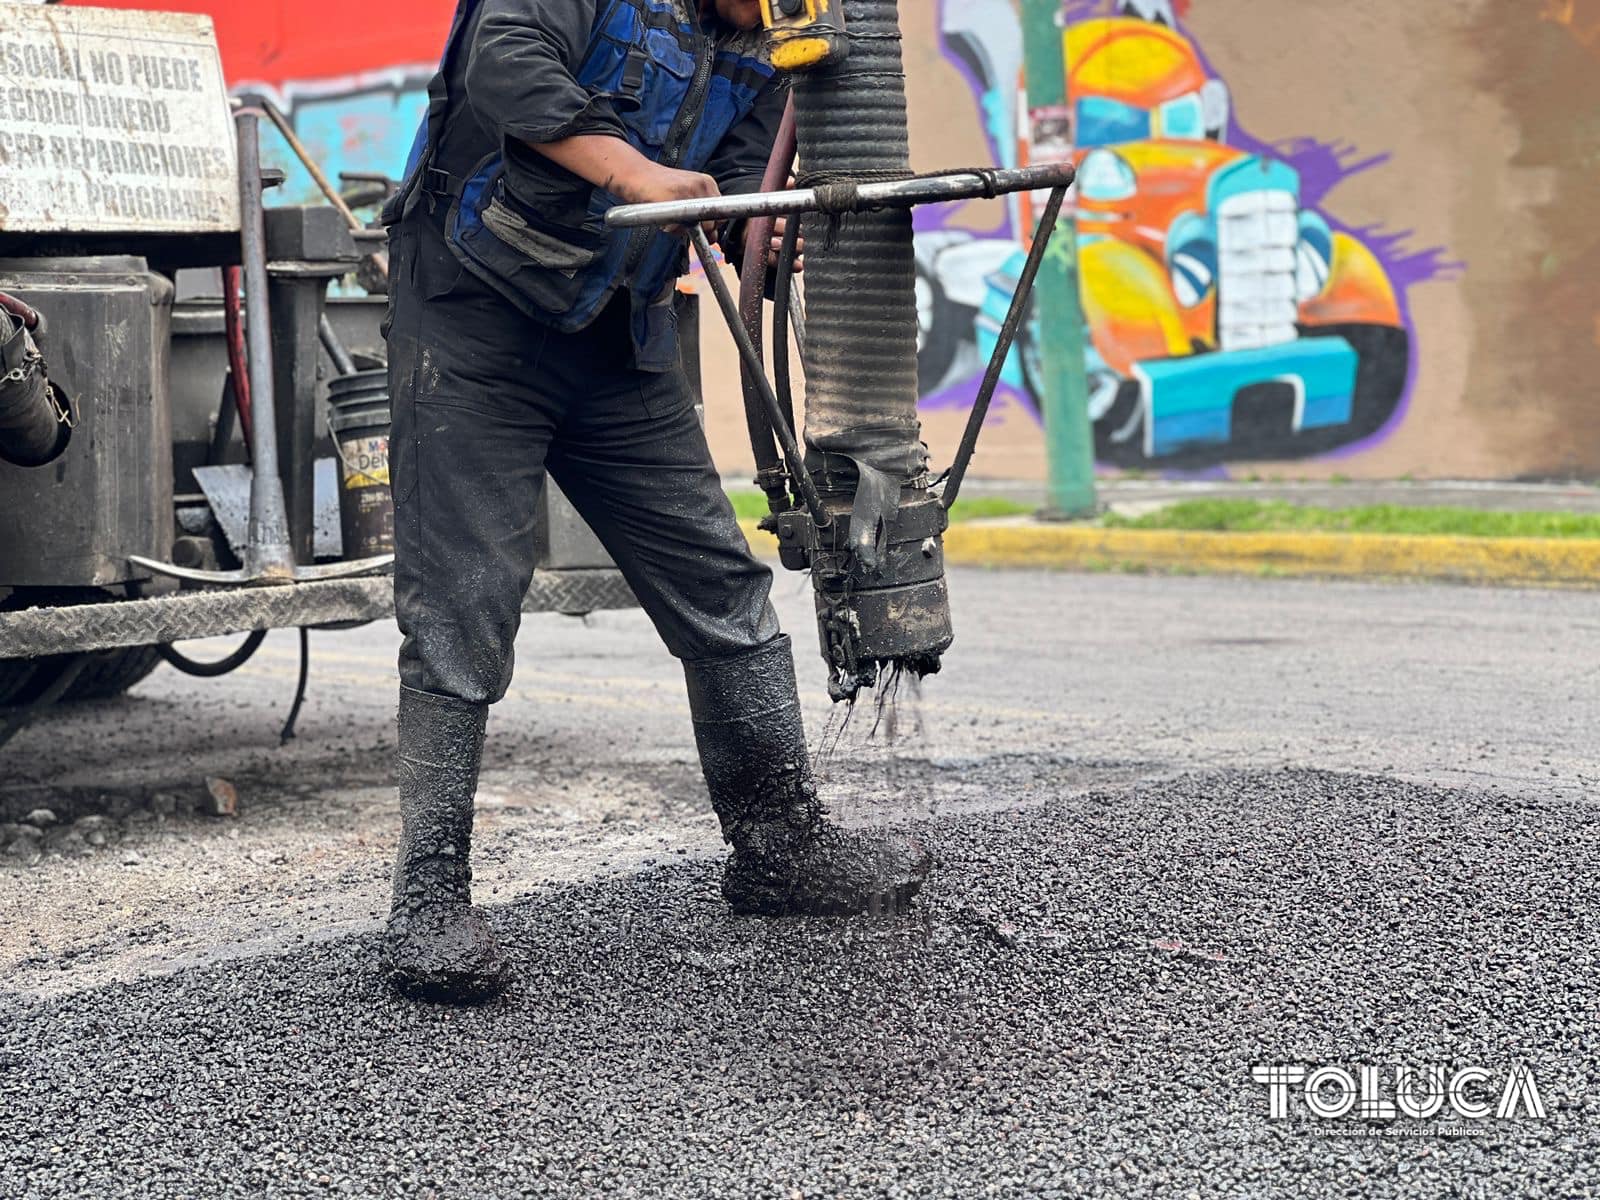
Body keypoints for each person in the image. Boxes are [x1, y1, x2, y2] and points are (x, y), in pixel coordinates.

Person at [380, 0, 930, 1003]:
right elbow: (504, 66)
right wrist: (637, 173)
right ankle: (428, 901)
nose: (773, 10)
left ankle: (778, 845)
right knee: (464, 602)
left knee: (719, 582)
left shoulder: (762, 45)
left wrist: (772, 239)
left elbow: (743, 202)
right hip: (471, 320)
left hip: (616, 339)